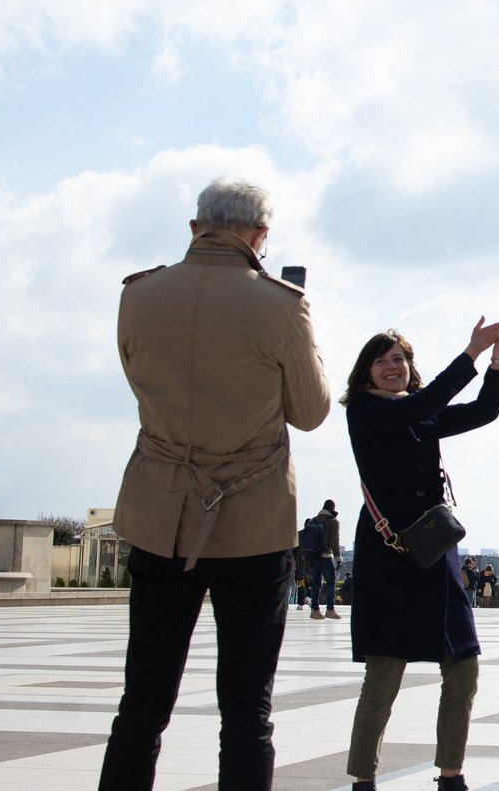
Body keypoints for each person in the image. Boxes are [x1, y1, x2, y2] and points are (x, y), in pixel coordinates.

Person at [99, 178, 331, 791]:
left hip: (161, 514)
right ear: (260, 236)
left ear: (197, 227)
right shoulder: (283, 304)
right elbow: (309, 412)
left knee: (143, 705)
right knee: (246, 711)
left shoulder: (140, 295)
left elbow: (139, 379)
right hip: (252, 521)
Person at [344, 316, 499, 791]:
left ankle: (451, 774)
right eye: (382, 361)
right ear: (366, 373)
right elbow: (429, 402)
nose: (393, 367)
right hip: (389, 552)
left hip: (434, 547)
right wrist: (469, 350)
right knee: (384, 671)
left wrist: (496, 361)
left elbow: (482, 412)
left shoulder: (418, 410)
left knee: (463, 661)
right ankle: (363, 779)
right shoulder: (366, 413)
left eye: (400, 359)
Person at [314, 499, 342, 619]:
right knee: (331, 582)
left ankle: (314, 611)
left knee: (316, 583)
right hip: (325, 556)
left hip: (313, 557)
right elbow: (334, 541)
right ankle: (330, 610)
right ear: (332, 509)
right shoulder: (333, 521)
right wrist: (338, 558)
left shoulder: (314, 520)